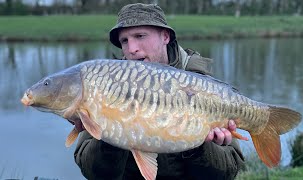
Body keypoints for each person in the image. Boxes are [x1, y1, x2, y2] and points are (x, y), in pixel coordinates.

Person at [74, 3, 245, 180]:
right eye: (124, 41)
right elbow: (92, 173)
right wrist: (111, 135)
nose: (132, 49)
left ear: (165, 36)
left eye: (140, 36)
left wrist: (200, 145)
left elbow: (229, 172)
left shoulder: (199, 85)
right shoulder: (104, 85)